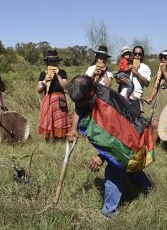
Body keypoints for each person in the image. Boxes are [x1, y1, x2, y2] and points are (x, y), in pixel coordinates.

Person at [65, 75, 154, 218]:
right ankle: (148, 189)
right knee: (130, 167)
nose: (78, 104)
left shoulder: (107, 106)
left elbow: (118, 141)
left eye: (80, 101)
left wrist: (102, 156)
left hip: (132, 136)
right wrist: (73, 128)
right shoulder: (86, 93)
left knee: (115, 168)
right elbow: (78, 107)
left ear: (89, 95)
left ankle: (109, 213)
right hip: (126, 140)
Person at [144, 47, 167, 144]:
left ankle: (166, 145)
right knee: (154, 123)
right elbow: (156, 87)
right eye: (162, 57)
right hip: (160, 100)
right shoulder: (160, 70)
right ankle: (151, 148)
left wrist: (165, 72)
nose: (163, 59)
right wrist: (151, 98)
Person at [37, 50, 71, 141]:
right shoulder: (43, 74)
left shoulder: (62, 72)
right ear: (47, 62)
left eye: (55, 61)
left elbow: (66, 87)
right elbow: (39, 90)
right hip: (48, 99)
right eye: (51, 61)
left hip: (60, 100)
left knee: (60, 122)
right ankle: (49, 139)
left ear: (57, 62)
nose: (53, 63)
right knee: (48, 121)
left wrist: (58, 75)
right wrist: (44, 81)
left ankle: (61, 138)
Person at [116, 46, 151, 114]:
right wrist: (121, 81)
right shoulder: (127, 64)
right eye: (135, 54)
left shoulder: (145, 67)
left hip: (135, 99)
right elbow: (118, 79)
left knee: (134, 122)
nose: (137, 56)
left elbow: (147, 83)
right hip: (122, 96)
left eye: (139, 54)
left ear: (142, 55)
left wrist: (137, 73)